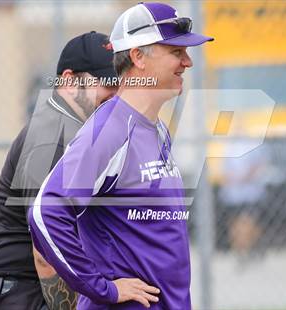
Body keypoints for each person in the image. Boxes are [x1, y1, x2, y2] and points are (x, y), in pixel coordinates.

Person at [28, 2, 214, 309]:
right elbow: (46, 213)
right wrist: (102, 289)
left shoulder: (158, 130)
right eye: (175, 52)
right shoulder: (110, 130)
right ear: (138, 56)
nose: (187, 62)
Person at [0, 32, 118, 310]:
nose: (114, 94)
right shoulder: (53, 136)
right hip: (21, 292)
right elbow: (45, 252)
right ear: (68, 80)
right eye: (106, 83)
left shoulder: (74, 130)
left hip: (21, 290)